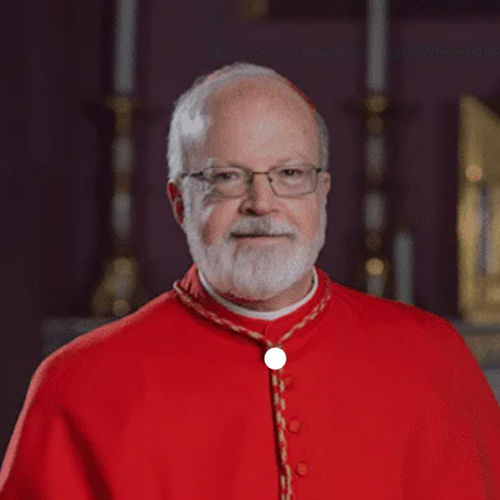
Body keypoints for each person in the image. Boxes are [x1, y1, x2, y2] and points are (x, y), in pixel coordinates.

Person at [1, 62, 500, 500]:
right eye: (226, 178)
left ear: (321, 192)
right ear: (179, 203)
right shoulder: (81, 382)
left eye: (289, 174)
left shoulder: (432, 357)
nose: (261, 204)